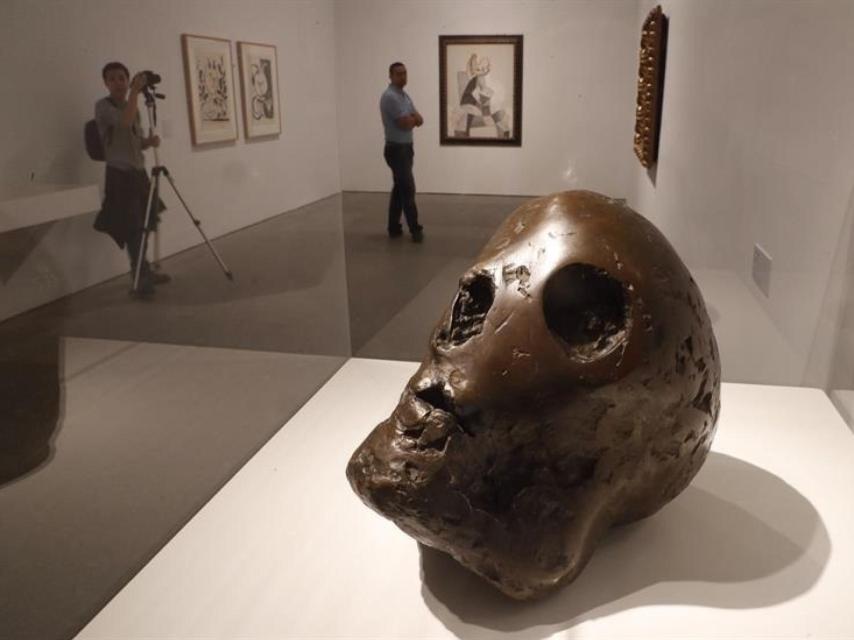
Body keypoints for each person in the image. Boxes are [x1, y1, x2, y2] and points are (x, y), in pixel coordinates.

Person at [93, 61, 168, 296]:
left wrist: (148, 142)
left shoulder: (132, 106)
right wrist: (136, 91)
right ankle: (139, 278)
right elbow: (123, 123)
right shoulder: (103, 107)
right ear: (106, 83)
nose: (118, 83)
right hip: (120, 176)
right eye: (112, 78)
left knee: (147, 222)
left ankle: (143, 270)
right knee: (133, 227)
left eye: (122, 78)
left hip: (139, 174)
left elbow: (134, 141)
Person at [380, 62, 424, 242]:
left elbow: (419, 119)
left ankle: (393, 227)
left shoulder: (404, 96)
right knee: (408, 188)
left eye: (405, 73)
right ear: (390, 76)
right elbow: (404, 123)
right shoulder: (390, 97)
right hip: (396, 149)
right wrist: (412, 118)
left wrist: (412, 118)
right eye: (398, 74)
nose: (403, 77)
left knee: (399, 189)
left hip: (406, 148)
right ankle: (415, 229)